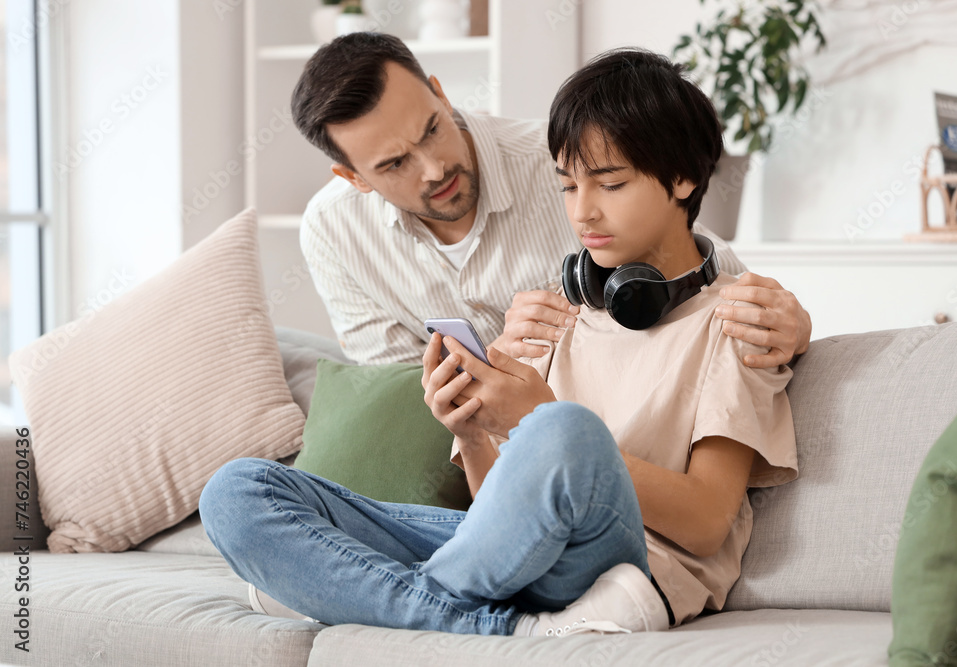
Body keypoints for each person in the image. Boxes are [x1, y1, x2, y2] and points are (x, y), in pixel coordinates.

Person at [199, 46, 798, 636]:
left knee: (565, 429)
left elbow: (707, 522)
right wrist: (469, 430)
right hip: (508, 556)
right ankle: (498, 625)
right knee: (237, 492)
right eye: (567, 188)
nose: (582, 213)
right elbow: (493, 515)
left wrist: (536, 418)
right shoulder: (552, 315)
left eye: (609, 184)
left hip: (620, 560)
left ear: (682, 177)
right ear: (355, 178)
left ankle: (357, 591)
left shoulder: (738, 323)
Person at [291, 32, 812, 368]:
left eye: (431, 129)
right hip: (469, 459)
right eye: (394, 164)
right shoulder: (332, 230)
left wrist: (797, 326)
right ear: (353, 177)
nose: (434, 168)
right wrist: (496, 365)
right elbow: (398, 394)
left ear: (441, 94)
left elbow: (698, 265)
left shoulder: (566, 162)